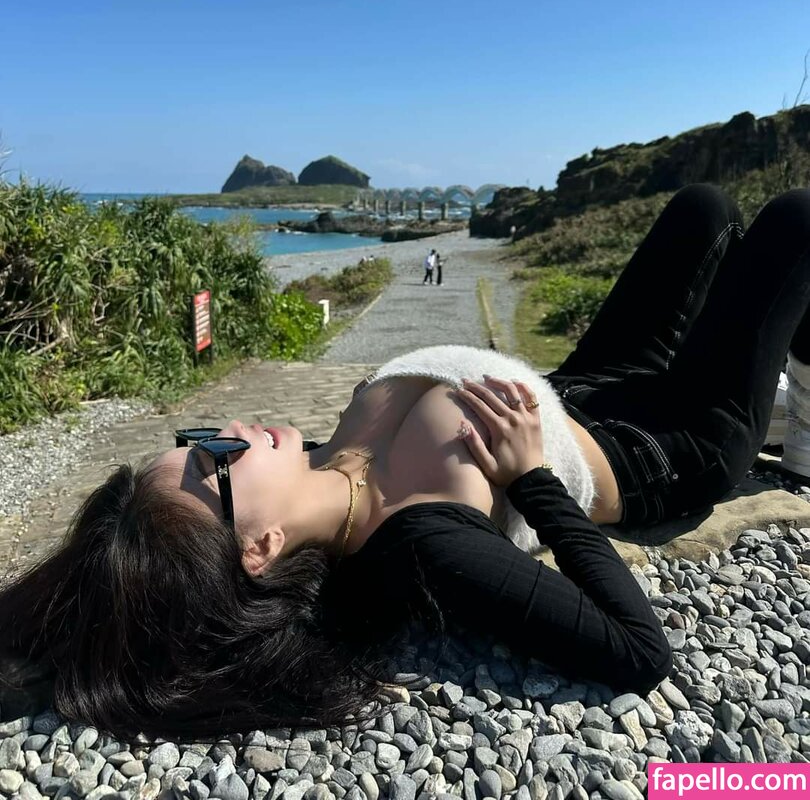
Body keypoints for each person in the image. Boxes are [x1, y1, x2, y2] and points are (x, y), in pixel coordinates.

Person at [2, 184, 810, 741]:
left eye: (200, 435)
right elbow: (638, 652)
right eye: (217, 460)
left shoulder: (316, 464)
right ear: (261, 546)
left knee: (703, 209)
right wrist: (533, 481)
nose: (231, 429)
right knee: (795, 222)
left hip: (584, 386)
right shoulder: (421, 541)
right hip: (663, 446)